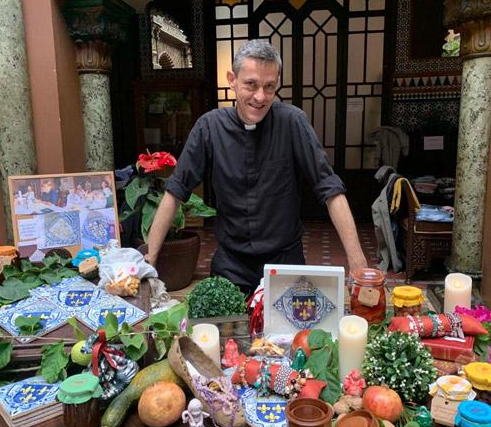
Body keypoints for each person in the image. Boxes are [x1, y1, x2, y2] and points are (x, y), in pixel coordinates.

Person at [143, 39, 367, 295]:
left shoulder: (292, 122)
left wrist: (358, 261)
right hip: (231, 264)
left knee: (290, 334)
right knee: (223, 330)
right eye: (251, 84)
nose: (260, 97)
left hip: (285, 261)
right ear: (233, 79)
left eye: (269, 87)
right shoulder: (209, 127)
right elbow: (176, 191)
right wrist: (150, 256)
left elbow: (330, 190)